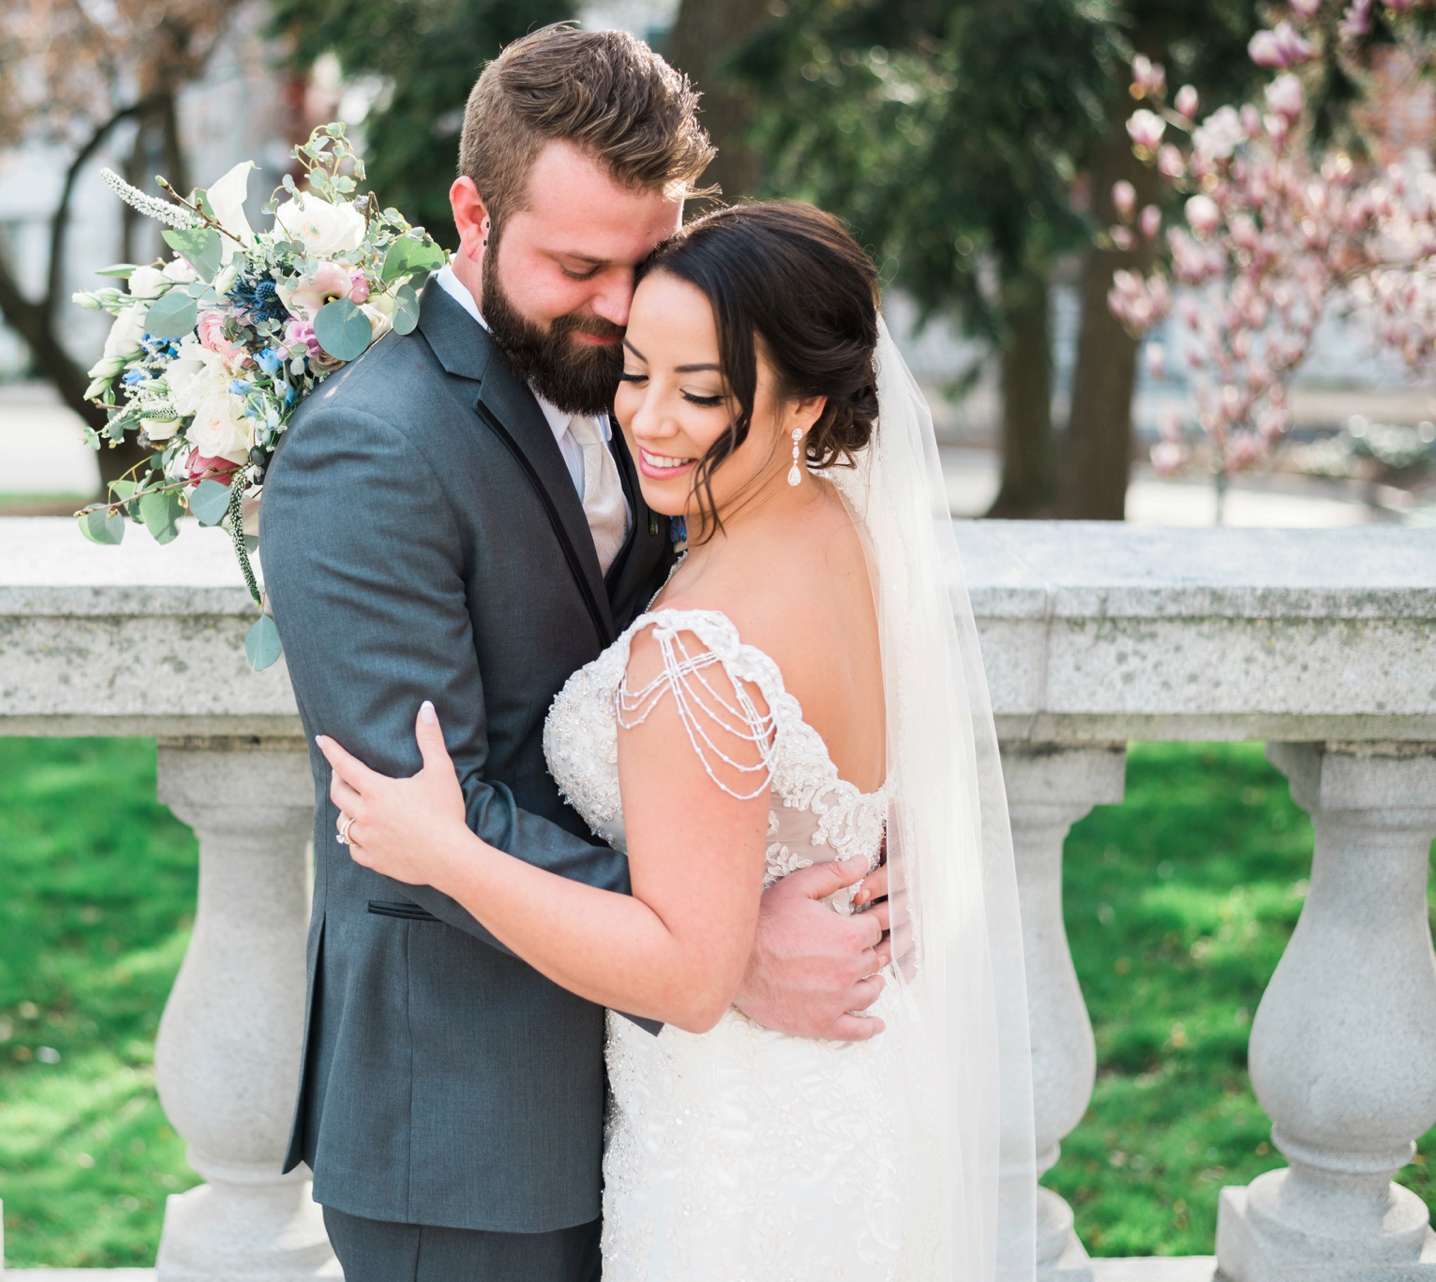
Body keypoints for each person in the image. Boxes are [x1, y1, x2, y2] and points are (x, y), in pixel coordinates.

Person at [259, 26, 906, 1282]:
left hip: (677, 1113)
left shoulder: (667, 394)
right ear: (471, 214)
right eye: (575, 266)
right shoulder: (369, 453)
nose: (618, 312)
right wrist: (720, 948)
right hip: (472, 1133)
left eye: (644, 260)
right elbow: (416, 820)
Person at [316, 202, 1038, 1278]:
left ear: (806, 404)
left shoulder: (697, 652)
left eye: (701, 393)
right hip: (851, 1095)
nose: (648, 420)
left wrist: (448, 854)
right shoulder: (840, 528)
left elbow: (689, 975)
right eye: (636, 371)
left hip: (738, 1148)